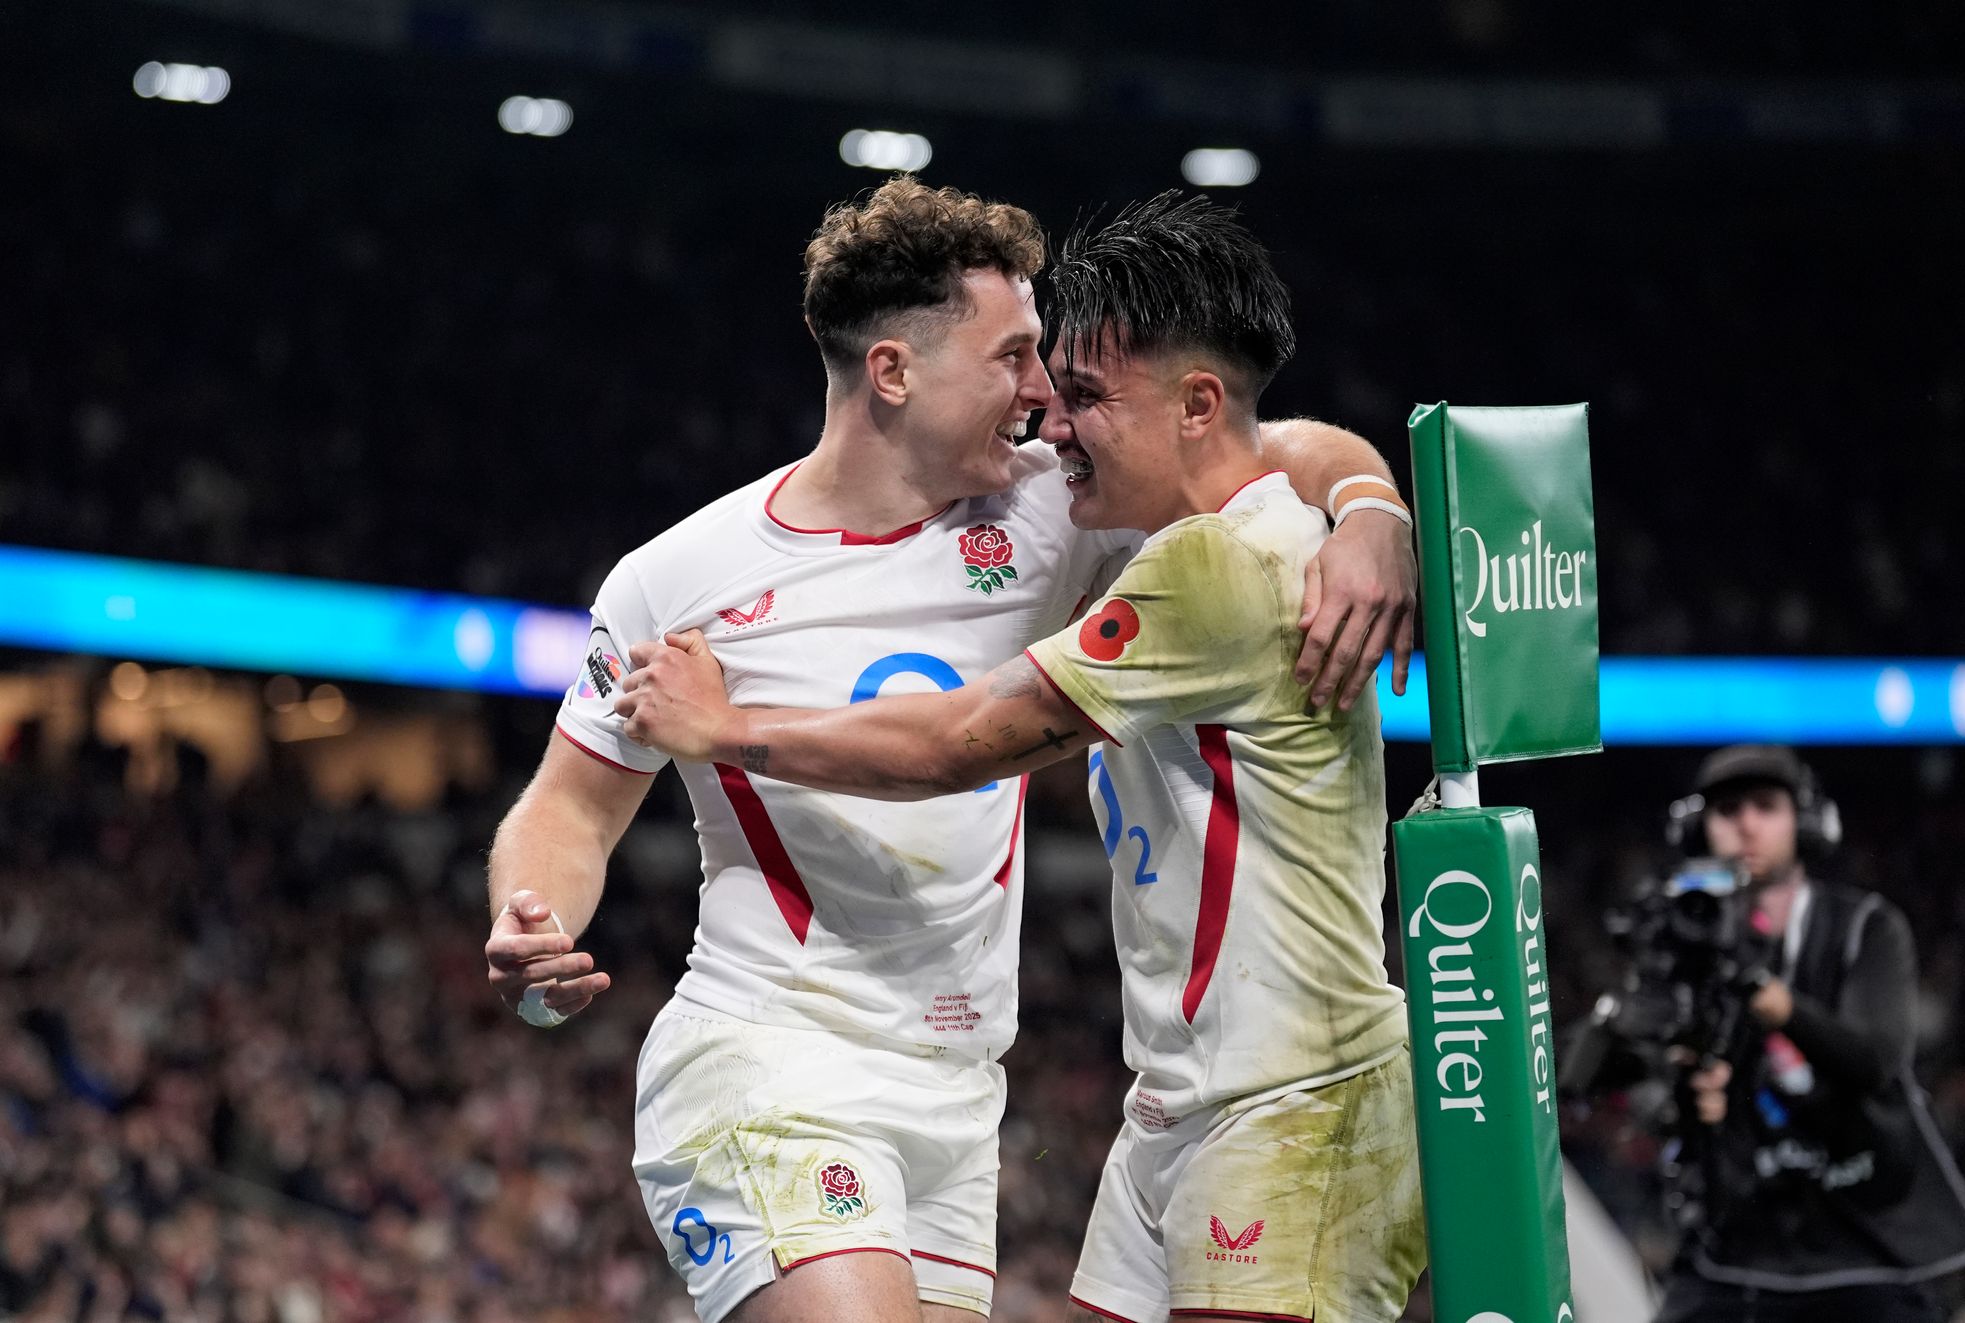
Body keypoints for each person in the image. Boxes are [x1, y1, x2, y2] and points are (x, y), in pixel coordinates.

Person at [482, 177, 1419, 1323]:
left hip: (955, 1102)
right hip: (774, 1051)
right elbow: (571, 809)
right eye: (1016, 357)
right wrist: (531, 919)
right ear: (893, 372)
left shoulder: (1051, 507)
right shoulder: (678, 578)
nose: (1042, 397)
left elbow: (1254, 445)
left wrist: (1373, 508)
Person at [1658, 745, 1965, 1323]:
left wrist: (1772, 999)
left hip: (1860, 1239)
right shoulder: (1682, 940)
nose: (1747, 823)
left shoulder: (1867, 926)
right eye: (1728, 809)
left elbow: (1874, 1060)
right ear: (1699, 828)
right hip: (1738, 1246)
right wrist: (1685, 1083)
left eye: (1765, 805)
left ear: (1805, 821)